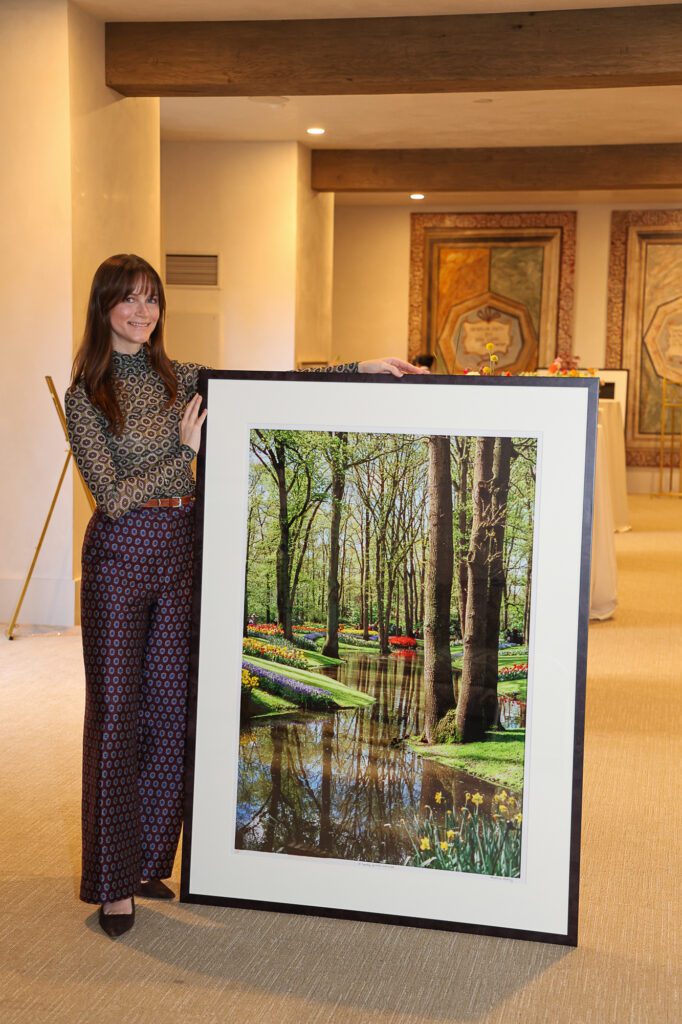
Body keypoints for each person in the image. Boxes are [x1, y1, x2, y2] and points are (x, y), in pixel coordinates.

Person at [65, 252, 427, 937]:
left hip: (182, 553)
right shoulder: (87, 394)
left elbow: (276, 384)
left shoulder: (186, 378)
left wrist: (361, 369)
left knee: (174, 715)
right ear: (104, 307)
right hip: (120, 558)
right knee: (116, 717)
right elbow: (109, 497)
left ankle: (148, 860)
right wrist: (185, 455)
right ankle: (111, 884)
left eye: (152, 300)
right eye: (129, 300)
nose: (143, 313)